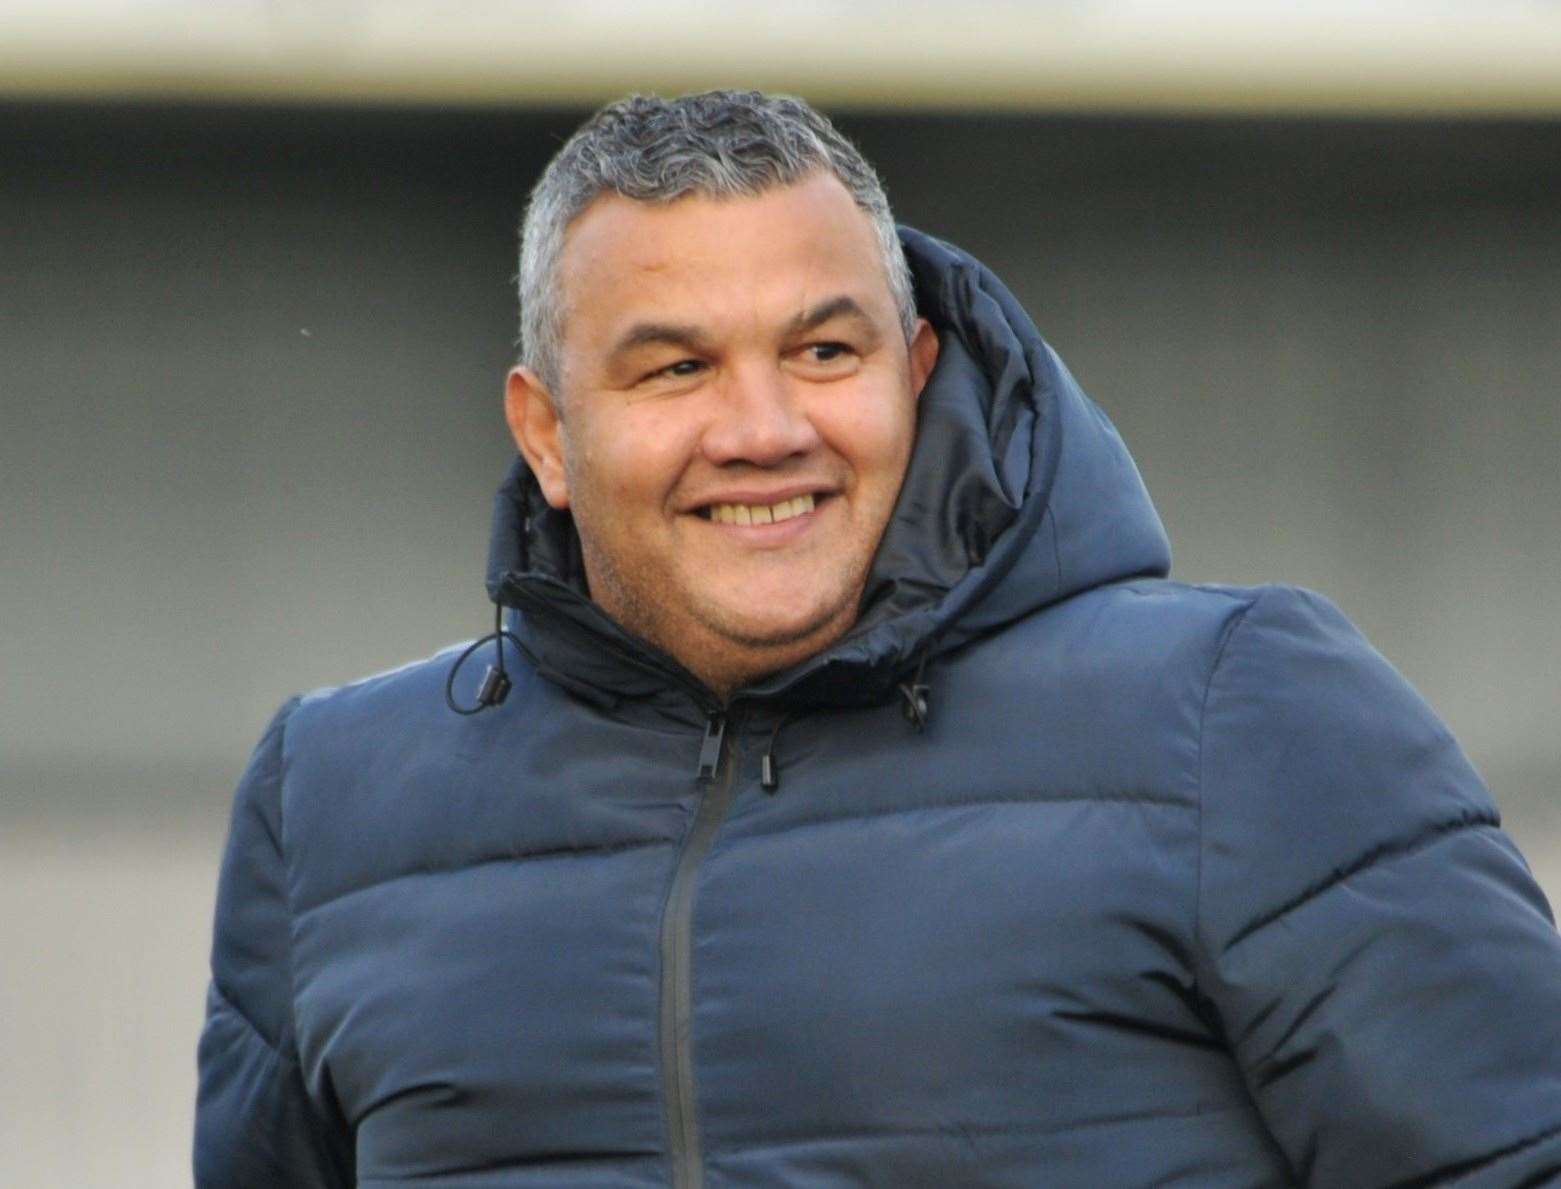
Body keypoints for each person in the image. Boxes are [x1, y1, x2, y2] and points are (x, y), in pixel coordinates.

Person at [195, 90, 1561, 1187]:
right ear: (546, 433)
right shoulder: (333, 801)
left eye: (824, 352)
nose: (764, 428)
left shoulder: (1232, 713)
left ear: (914, 371)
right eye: (675, 367)